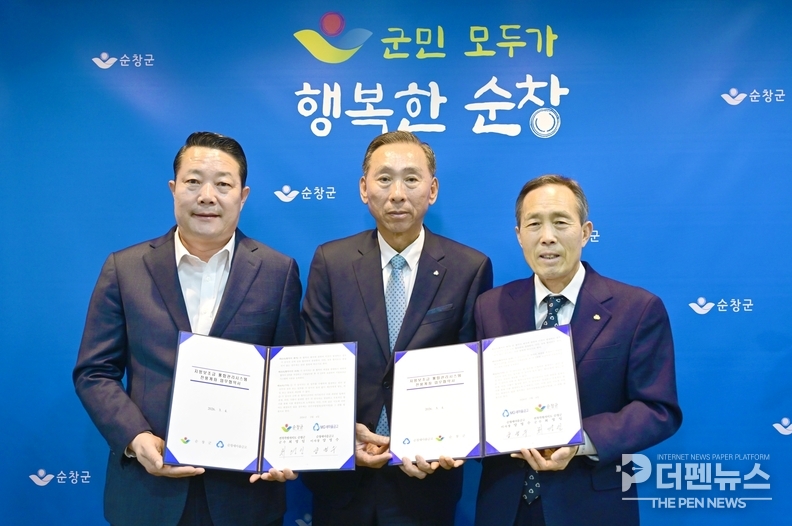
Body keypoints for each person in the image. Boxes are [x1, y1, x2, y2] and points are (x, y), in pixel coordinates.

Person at [73, 131, 302, 526]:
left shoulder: (277, 271)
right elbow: (95, 372)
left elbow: (289, 377)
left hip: (244, 495)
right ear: (173, 189)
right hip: (149, 493)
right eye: (193, 182)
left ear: (243, 196)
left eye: (223, 184)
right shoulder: (125, 269)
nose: (207, 196)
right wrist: (135, 438)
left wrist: (287, 447)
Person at [301, 131, 493, 525]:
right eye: (385, 179)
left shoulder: (469, 269)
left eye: (411, 179)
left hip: (425, 480)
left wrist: (440, 442)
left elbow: (472, 379)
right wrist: (340, 436)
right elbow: (312, 367)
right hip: (342, 480)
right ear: (364, 188)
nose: (398, 194)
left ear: (432, 189)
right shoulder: (331, 262)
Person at [474, 175, 682, 526]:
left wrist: (581, 439)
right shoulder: (490, 306)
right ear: (519, 235)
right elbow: (476, 402)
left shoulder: (636, 308)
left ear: (585, 232)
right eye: (534, 224)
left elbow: (658, 410)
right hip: (504, 506)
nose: (547, 236)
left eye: (560, 222)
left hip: (592, 505)